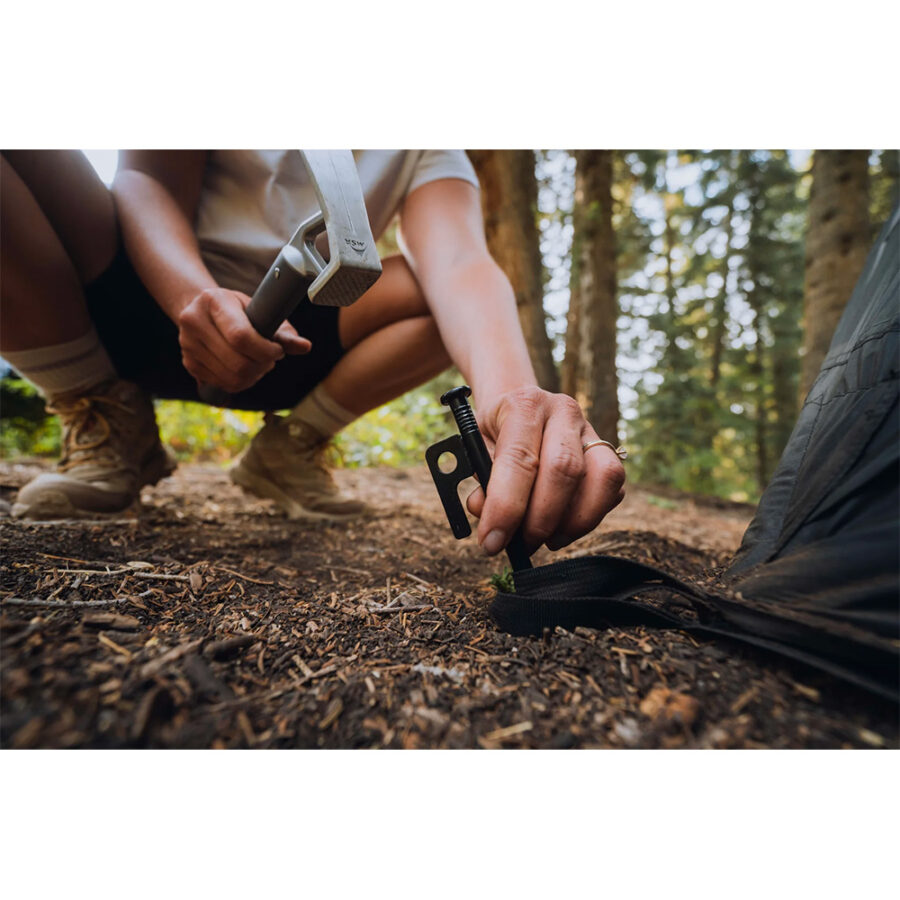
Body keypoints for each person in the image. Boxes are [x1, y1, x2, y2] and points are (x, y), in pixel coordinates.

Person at [0, 150, 625, 557]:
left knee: (434, 288)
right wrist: (192, 295)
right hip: (139, 292)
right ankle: (103, 411)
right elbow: (144, 180)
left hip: (297, 342)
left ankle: (289, 448)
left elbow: (460, 261)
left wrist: (512, 397)